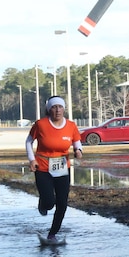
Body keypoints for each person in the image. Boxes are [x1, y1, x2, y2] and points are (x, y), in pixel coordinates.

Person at [26, 97, 83, 242]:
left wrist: (78, 150)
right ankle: (43, 202)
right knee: (50, 202)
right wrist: (32, 159)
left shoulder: (71, 125)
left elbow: (76, 141)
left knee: (62, 203)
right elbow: (29, 141)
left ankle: (52, 234)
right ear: (49, 109)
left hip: (62, 168)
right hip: (43, 167)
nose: (57, 110)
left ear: (64, 109)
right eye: (54, 107)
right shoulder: (41, 124)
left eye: (60, 107)